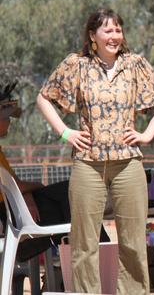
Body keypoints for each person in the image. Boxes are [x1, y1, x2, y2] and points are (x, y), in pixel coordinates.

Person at [37, 8, 154, 294]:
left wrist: (147, 134)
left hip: (129, 163)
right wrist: (65, 133)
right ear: (92, 36)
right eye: (107, 30)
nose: (114, 36)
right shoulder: (77, 64)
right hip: (87, 163)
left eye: (118, 30)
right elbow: (43, 98)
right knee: (84, 243)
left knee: (134, 242)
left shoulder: (135, 64)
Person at [0, 83, 111, 264]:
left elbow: (13, 186)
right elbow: (14, 186)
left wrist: (26, 194)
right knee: (70, 195)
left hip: (11, 211)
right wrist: (36, 185)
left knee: (70, 198)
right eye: (6, 118)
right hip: (7, 216)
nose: (10, 121)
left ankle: (90, 261)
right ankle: (102, 260)